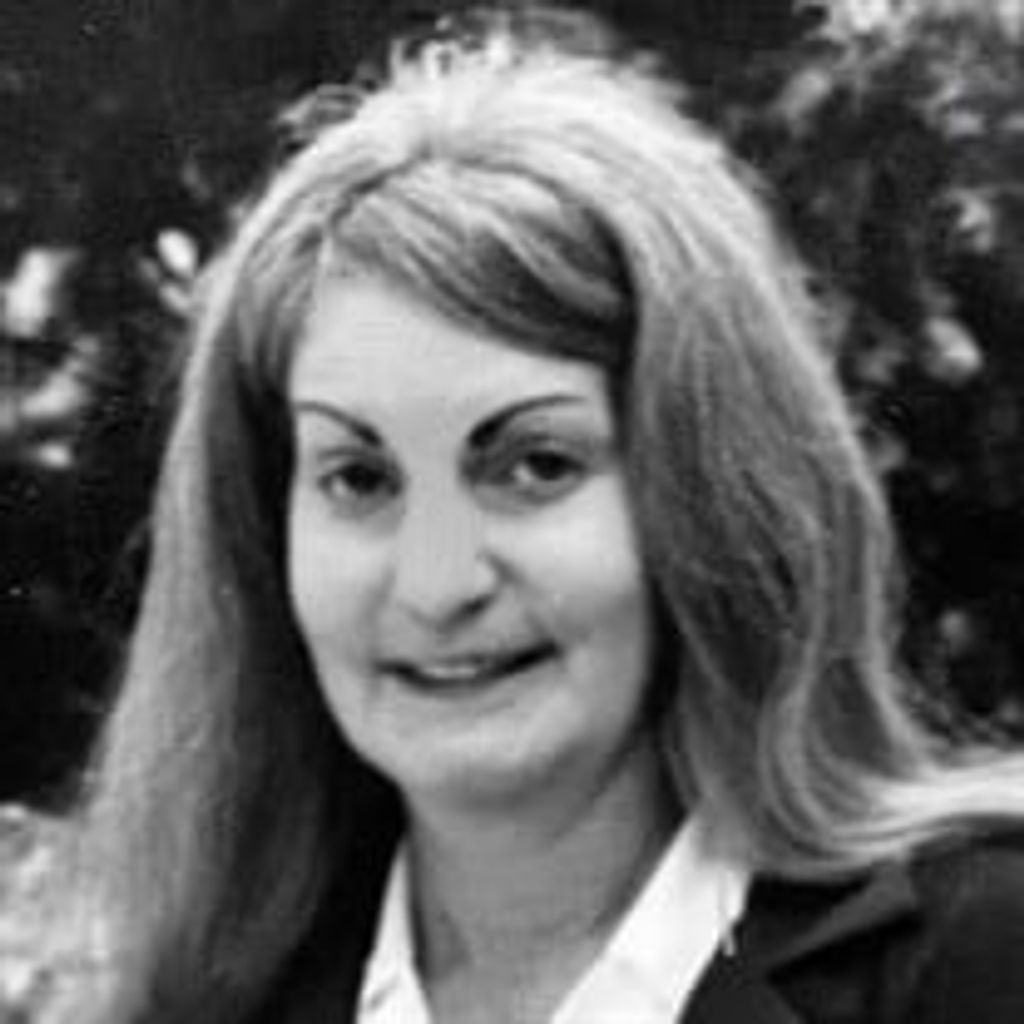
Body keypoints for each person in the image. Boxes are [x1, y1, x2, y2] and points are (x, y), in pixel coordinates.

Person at [46, 7, 1024, 1023]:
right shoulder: (195, 1008)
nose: (436, 584)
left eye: (535, 466)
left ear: (710, 501)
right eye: (358, 478)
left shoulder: (985, 965)